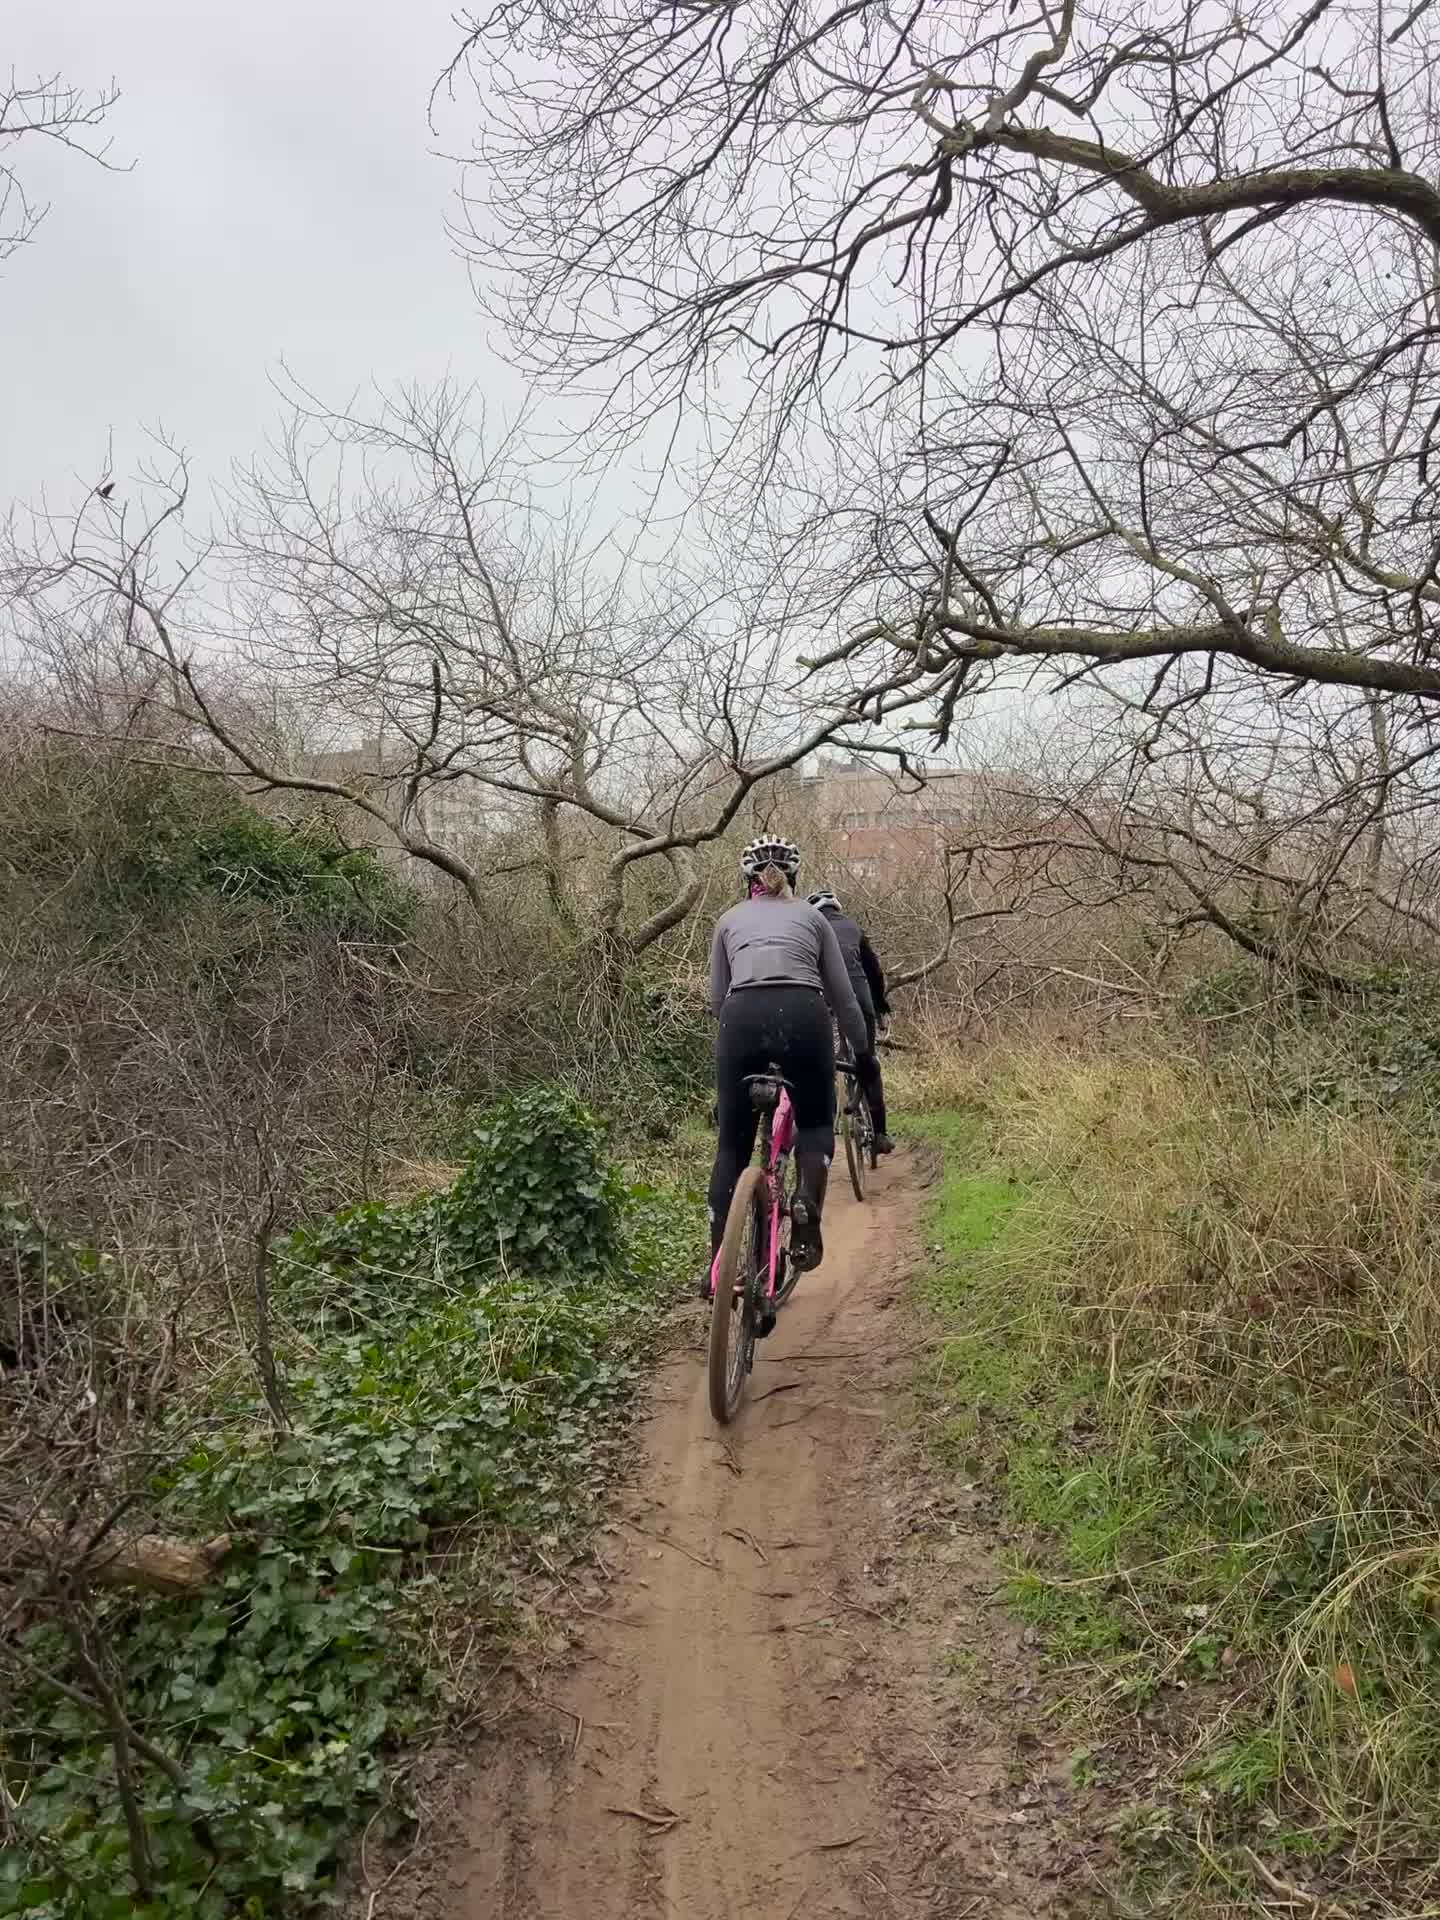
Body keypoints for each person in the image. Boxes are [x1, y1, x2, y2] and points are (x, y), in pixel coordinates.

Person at [705, 837, 867, 1307]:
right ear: (792, 877)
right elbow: (843, 999)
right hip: (803, 1015)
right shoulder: (814, 919)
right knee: (815, 1123)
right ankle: (806, 1206)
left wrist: (742, 1034)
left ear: (748, 880)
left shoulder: (728, 920)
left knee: (731, 1147)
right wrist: (861, 1051)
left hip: (740, 1019)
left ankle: (719, 1267)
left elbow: (716, 999)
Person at [805, 890, 895, 1154]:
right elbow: (874, 972)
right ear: (837, 908)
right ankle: (880, 1134)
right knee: (868, 1062)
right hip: (858, 1000)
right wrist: (880, 1007)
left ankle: (820, 1120)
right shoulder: (854, 928)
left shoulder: (807, 931)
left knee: (818, 1059)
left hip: (820, 1001)